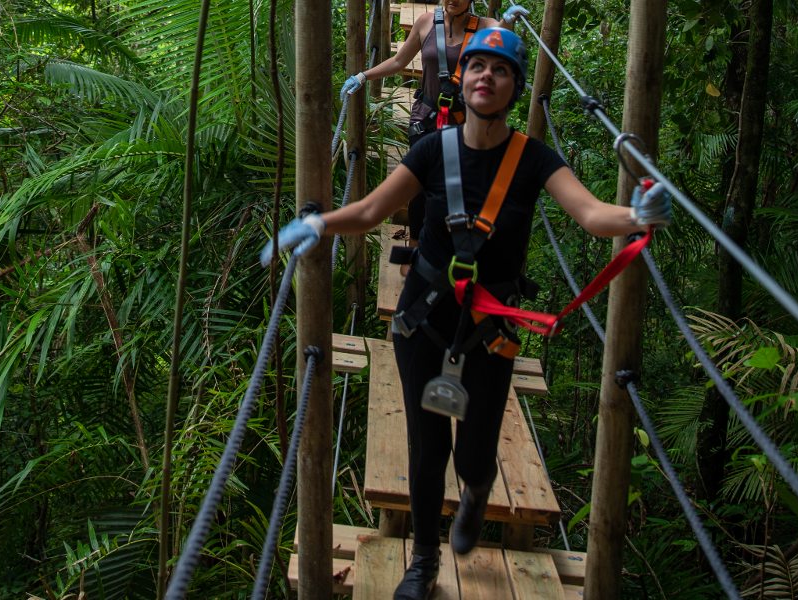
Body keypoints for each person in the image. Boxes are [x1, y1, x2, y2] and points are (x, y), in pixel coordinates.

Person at [263, 27, 671, 600]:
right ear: (463, 78)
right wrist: (319, 224)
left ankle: (476, 494)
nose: (486, 77)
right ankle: (423, 561)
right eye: (477, 66)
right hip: (422, 317)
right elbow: (374, 209)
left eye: (500, 70)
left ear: (513, 86)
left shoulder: (534, 160)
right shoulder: (433, 149)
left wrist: (635, 216)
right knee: (428, 450)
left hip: (490, 327)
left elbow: (590, 213)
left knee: (476, 452)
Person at [339, 1, 530, 271]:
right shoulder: (425, 22)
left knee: (458, 190)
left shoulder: (485, 27)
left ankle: (449, 253)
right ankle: (417, 248)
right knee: (423, 187)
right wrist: (362, 76)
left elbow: (503, 39)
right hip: (425, 120)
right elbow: (398, 61)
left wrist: (509, 22)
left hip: (465, 124)